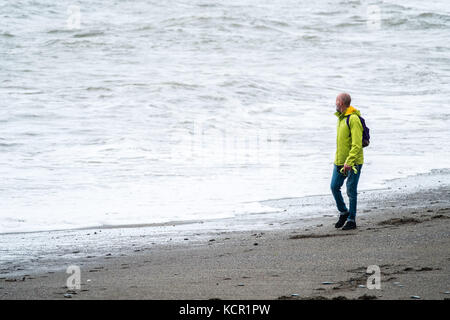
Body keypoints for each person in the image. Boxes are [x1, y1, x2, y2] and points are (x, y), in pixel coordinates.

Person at [331, 93, 364, 230]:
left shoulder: (353, 119)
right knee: (334, 187)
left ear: (341, 103)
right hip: (339, 161)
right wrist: (340, 160)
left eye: (336, 101)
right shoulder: (340, 118)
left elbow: (357, 144)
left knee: (351, 190)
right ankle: (344, 212)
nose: (335, 103)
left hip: (353, 162)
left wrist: (349, 161)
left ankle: (352, 220)